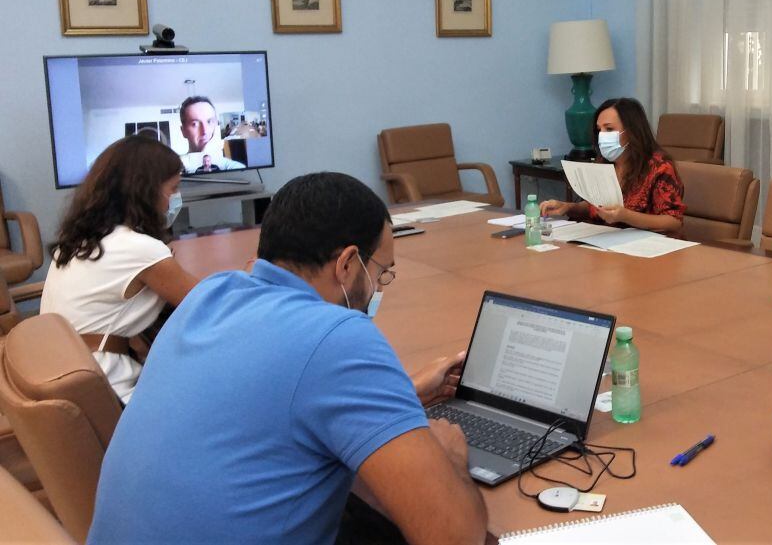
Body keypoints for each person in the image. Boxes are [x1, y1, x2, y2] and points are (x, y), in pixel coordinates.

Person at [88, 172, 487, 545]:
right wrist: (449, 454)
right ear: (347, 265)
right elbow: (454, 535)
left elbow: (275, 402)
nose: (379, 286)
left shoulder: (209, 296)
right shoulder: (338, 336)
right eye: (381, 272)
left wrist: (405, 393)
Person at [41, 135, 200, 404]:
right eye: (173, 188)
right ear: (146, 191)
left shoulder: (80, 241)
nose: (175, 198)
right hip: (109, 391)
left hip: (67, 376)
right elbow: (208, 302)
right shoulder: (138, 248)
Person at [540, 97, 685, 235]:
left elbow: (673, 221)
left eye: (609, 129)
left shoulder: (659, 167)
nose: (602, 135)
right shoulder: (604, 162)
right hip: (604, 241)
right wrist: (568, 207)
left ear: (631, 132)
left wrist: (626, 216)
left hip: (645, 247)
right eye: (599, 130)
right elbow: (595, 206)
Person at [177, 96, 246, 172]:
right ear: (183, 131)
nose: (205, 131)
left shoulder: (234, 167)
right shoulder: (174, 167)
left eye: (209, 121)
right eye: (195, 124)